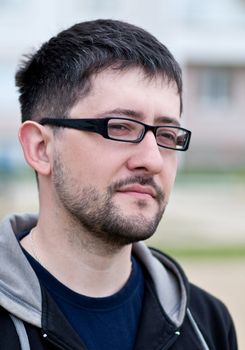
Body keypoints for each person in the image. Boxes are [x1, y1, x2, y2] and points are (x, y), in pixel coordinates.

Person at [0, 19, 237, 350]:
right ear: (41, 148)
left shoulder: (207, 323)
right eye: (120, 128)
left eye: (167, 135)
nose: (152, 160)